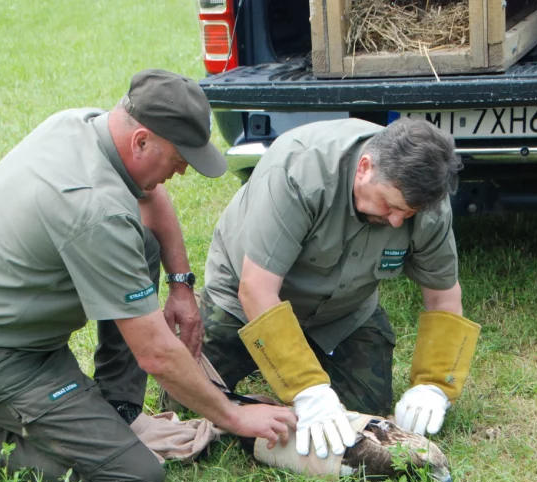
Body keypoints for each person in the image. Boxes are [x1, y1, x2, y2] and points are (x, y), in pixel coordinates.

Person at [0, 69, 295, 482]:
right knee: (132, 476)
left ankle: (117, 410)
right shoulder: (95, 209)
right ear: (142, 141)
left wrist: (182, 287)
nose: (183, 170)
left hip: (9, 333)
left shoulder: (83, 124)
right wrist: (236, 416)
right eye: (179, 157)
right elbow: (155, 353)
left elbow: (147, 194)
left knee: (141, 244)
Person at [196, 117, 481, 460]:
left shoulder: (425, 203)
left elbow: (443, 296)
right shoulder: (300, 171)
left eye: (407, 213)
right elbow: (256, 289)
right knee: (194, 399)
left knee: (365, 411)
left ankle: (305, 360)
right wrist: (307, 389)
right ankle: (292, 372)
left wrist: (434, 384)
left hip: (344, 310)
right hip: (243, 300)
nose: (395, 221)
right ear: (364, 168)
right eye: (389, 205)